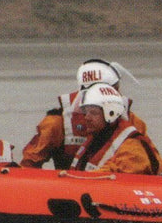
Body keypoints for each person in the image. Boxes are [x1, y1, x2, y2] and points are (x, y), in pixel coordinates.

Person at [20, 58, 149, 169]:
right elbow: (29, 163)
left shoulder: (133, 122)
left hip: (114, 188)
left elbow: (150, 164)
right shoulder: (57, 123)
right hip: (70, 188)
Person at [69, 83, 162, 175]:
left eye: (93, 113)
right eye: (86, 112)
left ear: (111, 113)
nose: (87, 117)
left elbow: (116, 173)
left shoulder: (131, 147)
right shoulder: (96, 139)